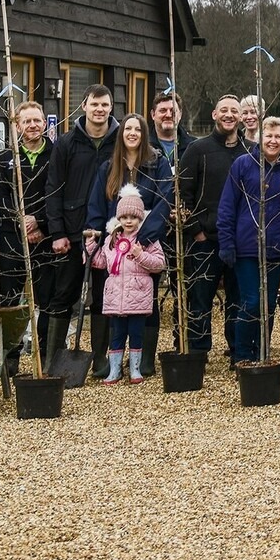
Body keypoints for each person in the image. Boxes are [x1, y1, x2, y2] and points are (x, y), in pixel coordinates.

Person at [85, 113, 173, 378]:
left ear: (144, 134)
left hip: (145, 243)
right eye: (128, 129)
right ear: (121, 133)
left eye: (137, 129)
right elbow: (97, 204)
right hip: (114, 245)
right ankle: (106, 361)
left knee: (146, 299)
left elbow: (164, 201)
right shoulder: (109, 167)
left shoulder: (157, 164)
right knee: (109, 300)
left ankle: (144, 359)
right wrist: (95, 236)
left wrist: (146, 238)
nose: (132, 133)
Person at [217, 116, 280, 364]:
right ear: (260, 137)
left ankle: (262, 352)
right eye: (268, 135)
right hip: (247, 248)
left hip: (278, 249)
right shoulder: (244, 165)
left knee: (268, 304)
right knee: (251, 301)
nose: (273, 140)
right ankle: (243, 354)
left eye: (278, 136)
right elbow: (227, 206)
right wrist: (226, 243)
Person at [44, 85, 116, 375]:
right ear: (84, 106)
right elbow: (53, 188)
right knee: (64, 294)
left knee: (102, 296)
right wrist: (57, 231)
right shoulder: (66, 143)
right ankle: (53, 358)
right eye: (95, 104)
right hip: (73, 233)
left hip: (108, 233)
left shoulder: (119, 141)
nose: (100, 110)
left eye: (105, 105)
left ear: (111, 108)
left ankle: (100, 358)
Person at [173, 94, 244, 360]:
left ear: (240, 116)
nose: (229, 115)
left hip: (239, 241)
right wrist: (195, 230)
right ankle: (198, 352)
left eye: (233, 111)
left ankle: (238, 350)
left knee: (238, 300)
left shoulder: (249, 151)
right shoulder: (197, 150)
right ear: (214, 114)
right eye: (223, 110)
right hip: (204, 239)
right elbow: (182, 195)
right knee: (200, 299)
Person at [0, 100, 54, 374]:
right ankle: (11, 356)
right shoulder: (5, 158)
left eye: (36, 120)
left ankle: (44, 354)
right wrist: (21, 222)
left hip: (45, 235)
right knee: (10, 298)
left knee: (47, 297)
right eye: (26, 121)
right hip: (12, 237)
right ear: (17, 125)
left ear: (44, 123)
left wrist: (38, 222)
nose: (32, 125)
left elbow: (57, 193)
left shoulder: (56, 154)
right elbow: (0, 197)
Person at [86, 185, 166, 384]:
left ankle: (135, 369)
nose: (128, 221)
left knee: (136, 333)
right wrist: (90, 247)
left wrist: (141, 256)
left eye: (133, 217)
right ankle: (115, 369)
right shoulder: (111, 239)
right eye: (124, 217)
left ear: (140, 218)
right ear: (118, 218)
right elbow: (101, 262)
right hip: (116, 297)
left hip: (138, 296)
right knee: (117, 334)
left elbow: (159, 264)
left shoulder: (147, 239)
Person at [149, 90, 193, 169]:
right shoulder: (143, 146)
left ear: (180, 114)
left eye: (173, 111)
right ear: (153, 114)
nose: (168, 115)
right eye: (163, 110)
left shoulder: (193, 147)